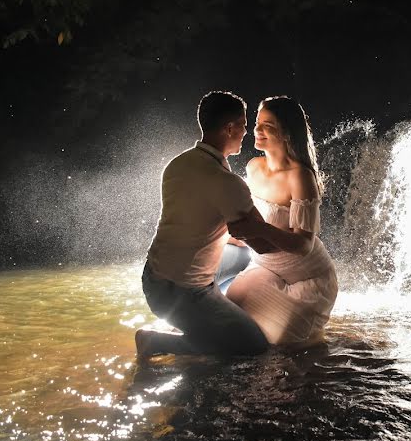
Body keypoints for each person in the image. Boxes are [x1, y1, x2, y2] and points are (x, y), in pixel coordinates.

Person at [136, 91, 272, 357]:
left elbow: (195, 221)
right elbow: (264, 245)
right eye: (244, 125)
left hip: (153, 279)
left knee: (241, 255)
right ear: (229, 128)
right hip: (183, 294)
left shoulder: (178, 164)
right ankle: (157, 341)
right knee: (254, 346)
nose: (246, 132)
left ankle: (210, 314)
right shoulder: (226, 182)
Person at [226, 96, 339, 345]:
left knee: (282, 348)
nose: (257, 130)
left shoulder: (300, 177)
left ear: (287, 132)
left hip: (308, 280)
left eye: (268, 125)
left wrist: (259, 229)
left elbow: (303, 245)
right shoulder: (253, 167)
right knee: (230, 314)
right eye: (257, 123)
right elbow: (248, 219)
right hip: (265, 266)